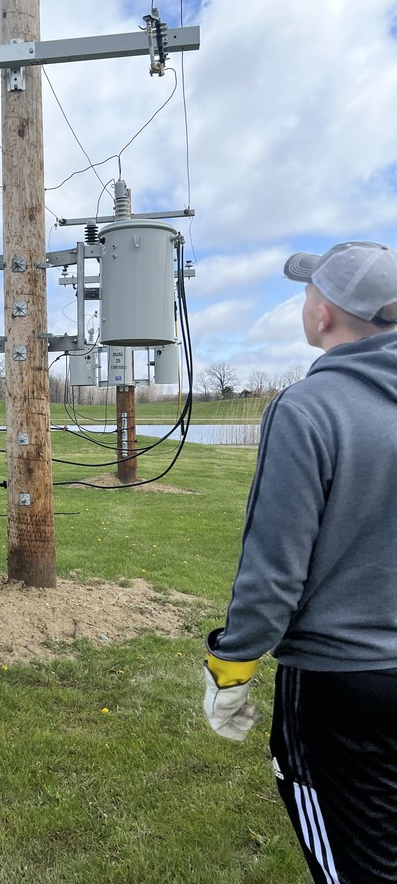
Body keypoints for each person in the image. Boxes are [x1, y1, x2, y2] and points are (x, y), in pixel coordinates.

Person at [203, 242, 397, 883]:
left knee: (356, 860)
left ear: (324, 316)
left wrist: (231, 672)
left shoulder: (308, 410)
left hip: (341, 686)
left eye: (311, 291)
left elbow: (272, 575)